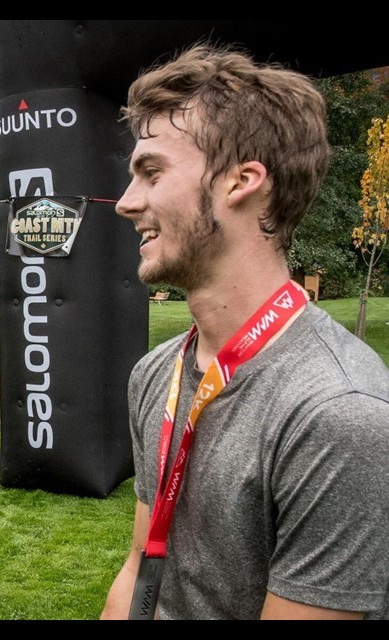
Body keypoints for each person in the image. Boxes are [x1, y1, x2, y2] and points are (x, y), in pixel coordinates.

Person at [100, 45, 389, 620]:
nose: (126, 203)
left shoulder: (339, 414)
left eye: (152, 172)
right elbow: (139, 566)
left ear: (241, 181)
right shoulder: (156, 372)